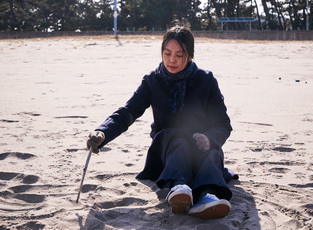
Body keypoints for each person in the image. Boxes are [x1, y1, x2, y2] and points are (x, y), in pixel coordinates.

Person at [86, 26, 236, 219]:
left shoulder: (206, 80)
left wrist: (210, 138)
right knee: (176, 137)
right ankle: (179, 189)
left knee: (211, 151)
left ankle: (207, 196)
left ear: (189, 56)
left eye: (179, 55)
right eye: (167, 53)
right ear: (162, 53)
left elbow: (223, 123)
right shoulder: (152, 81)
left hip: (201, 148)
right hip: (169, 149)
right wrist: (103, 132)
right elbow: (128, 111)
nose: (171, 60)